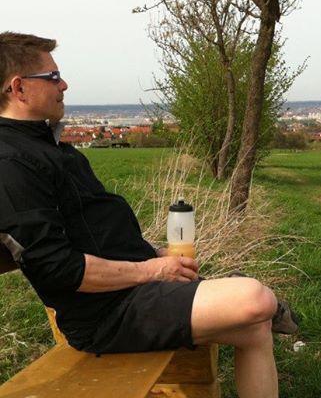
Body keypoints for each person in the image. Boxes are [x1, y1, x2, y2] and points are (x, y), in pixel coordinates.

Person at [0, 32, 298, 398]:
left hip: (127, 295)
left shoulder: (49, 148)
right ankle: (272, 304)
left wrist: (154, 255)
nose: (64, 85)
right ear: (19, 88)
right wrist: (153, 270)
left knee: (254, 327)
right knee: (255, 299)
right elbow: (58, 269)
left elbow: (95, 231)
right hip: (104, 316)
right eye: (53, 77)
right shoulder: (11, 162)